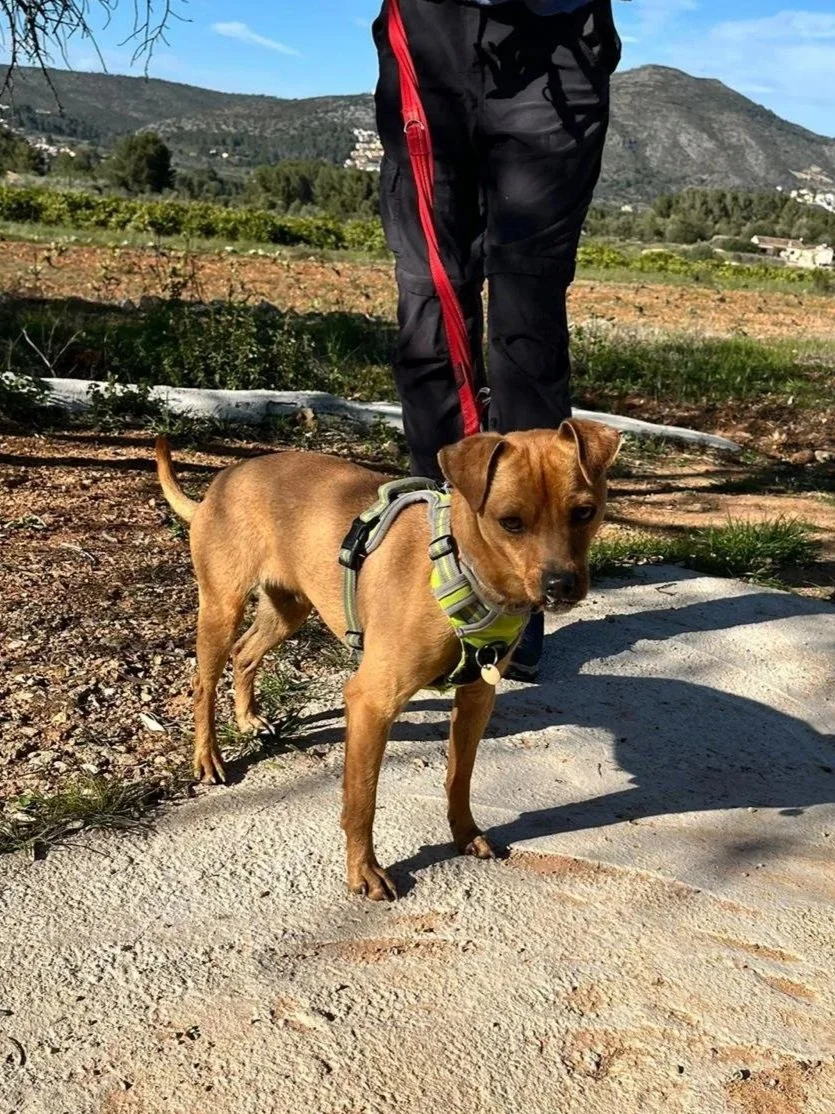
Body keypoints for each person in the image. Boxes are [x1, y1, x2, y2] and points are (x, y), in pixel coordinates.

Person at [373, 0, 622, 680]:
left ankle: (525, 586)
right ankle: (443, 565)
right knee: (430, 308)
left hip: (557, 45)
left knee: (528, 316)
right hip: (430, 34)